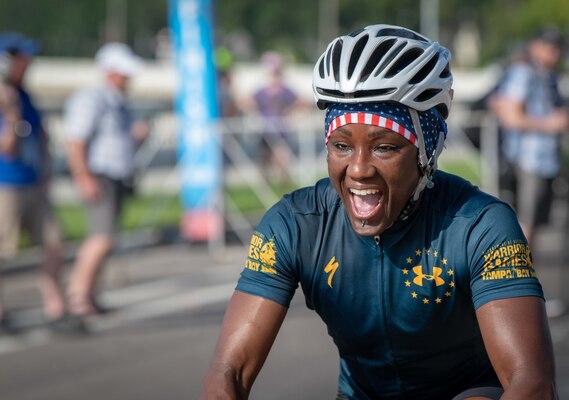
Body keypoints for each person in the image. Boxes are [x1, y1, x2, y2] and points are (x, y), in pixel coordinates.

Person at [200, 24, 558, 399]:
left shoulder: (481, 225)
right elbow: (230, 371)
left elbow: (532, 382)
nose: (358, 169)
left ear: (426, 152)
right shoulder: (296, 224)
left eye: (384, 148)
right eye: (340, 145)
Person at [63, 42, 147, 319]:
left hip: (116, 176)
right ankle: (78, 297)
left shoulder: (118, 101)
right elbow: (76, 141)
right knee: (100, 239)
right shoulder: (93, 98)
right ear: (111, 72)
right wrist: (83, 176)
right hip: (100, 175)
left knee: (106, 239)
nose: (128, 78)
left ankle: (89, 295)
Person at [0, 32, 74, 334]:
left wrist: (46, 170)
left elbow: (40, 136)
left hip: (31, 182)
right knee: (3, 251)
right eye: (21, 59)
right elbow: (8, 147)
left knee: (54, 243)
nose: (28, 64)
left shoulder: (25, 94)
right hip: (6, 184)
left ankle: (56, 308)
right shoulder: (7, 99)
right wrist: (10, 110)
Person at [490, 27, 569, 248]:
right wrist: (550, 123)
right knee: (524, 224)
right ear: (535, 46)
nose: (554, 53)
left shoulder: (549, 75)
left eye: (557, 48)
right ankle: (519, 276)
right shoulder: (523, 72)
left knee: (535, 225)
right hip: (527, 160)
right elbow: (511, 117)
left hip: (546, 160)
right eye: (549, 47)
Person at [249, 51, 302, 185]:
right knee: (264, 159)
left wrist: (288, 110)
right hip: (265, 130)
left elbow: (300, 102)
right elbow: (249, 101)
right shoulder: (262, 91)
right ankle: (265, 185)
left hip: (281, 130)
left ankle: (284, 184)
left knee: (282, 158)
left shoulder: (285, 90)